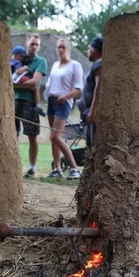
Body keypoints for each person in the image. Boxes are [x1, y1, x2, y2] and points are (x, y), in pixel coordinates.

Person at [44, 37, 84, 179]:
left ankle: (74, 168)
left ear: (68, 49)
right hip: (51, 101)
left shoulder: (75, 65)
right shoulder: (55, 65)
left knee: (56, 136)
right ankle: (57, 169)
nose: (60, 50)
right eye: (58, 47)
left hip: (63, 103)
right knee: (53, 138)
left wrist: (65, 97)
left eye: (63, 47)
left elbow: (79, 90)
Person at [14, 34, 47, 178]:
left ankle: (32, 168)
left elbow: (35, 82)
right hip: (14, 100)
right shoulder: (18, 59)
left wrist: (15, 84)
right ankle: (13, 166)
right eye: (32, 43)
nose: (34, 47)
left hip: (30, 103)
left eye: (37, 45)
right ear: (26, 43)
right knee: (13, 134)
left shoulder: (41, 61)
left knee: (32, 135)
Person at [76, 36, 103, 149]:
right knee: (90, 144)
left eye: (89, 49)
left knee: (93, 145)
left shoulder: (99, 64)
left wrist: (93, 110)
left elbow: (99, 86)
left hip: (92, 111)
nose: (88, 52)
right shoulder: (97, 64)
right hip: (88, 111)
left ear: (95, 50)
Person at [11, 45, 45, 116]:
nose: (23, 58)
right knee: (35, 87)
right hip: (18, 79)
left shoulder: (10, 62)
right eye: (22, 56)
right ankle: (38, 105)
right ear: (16, 55)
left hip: (14, 83)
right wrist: (25, 68)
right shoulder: (17, 62)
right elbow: (18, 71)